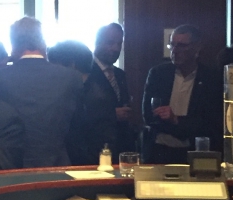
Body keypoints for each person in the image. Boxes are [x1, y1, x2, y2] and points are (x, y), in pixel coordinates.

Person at [0, 17, 83, 167]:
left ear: (13, 45)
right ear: (43, 42)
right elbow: (79, 126)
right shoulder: (71, 77)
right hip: (58, 164)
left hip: (12, 166)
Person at [141, 24, 221, 163]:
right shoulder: (158, 74)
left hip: (194, 150)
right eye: (172, 45)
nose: (175, 50)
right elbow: (148, 114)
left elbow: (211, 121)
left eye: (182, 46)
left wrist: (177, 120)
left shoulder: (211, 78)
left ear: (197, 47)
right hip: (159, 149)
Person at [49, 40, 117, 165]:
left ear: (72, 65)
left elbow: (102, 145)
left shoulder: (95, 97)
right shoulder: (84, 90)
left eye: (56, 67)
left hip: (86, 169)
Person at [93, 22, 134, 157]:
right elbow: (80, 111)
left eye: (119, 44)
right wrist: (112, 115)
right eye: (110, 43)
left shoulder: (120, 74)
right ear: (97, 42)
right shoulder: (85, 73)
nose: (116, 48)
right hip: (94, 148)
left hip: (119, 147)